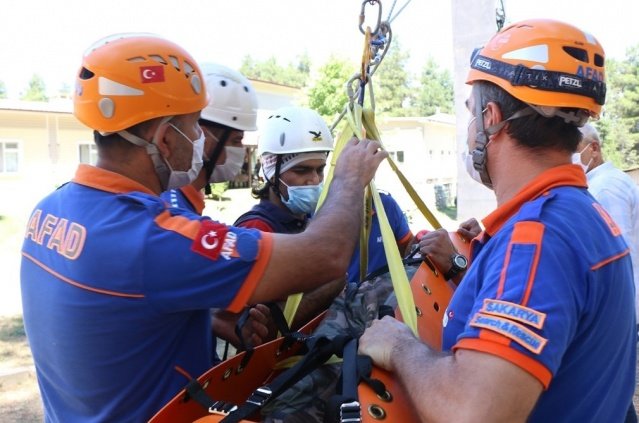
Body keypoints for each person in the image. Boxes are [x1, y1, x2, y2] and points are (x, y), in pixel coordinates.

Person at [20, 33, 386, 422]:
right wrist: (348, 178)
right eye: (195, 126)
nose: (199, 139)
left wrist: (206, 315)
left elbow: (115, 317)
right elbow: (326, 256)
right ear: (164, 138)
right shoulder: (155, 239)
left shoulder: (49, 210)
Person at [359, 19, 636, 422]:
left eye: (472, 113)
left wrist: (401, 347)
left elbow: (474, 412)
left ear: (491, 118)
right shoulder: (580, 214)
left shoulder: (537, 239)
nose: (471, 128)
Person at [235, 106, 345, 330]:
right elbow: (259, 328)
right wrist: (331, 285)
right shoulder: (255, 229)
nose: (314, 180)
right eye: (302, 170)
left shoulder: (310, 220)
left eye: (320, 170)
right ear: (271, 172)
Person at [161, 62, 258, 214]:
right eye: (236, 140)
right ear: (204, 139)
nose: (243, 153)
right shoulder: (175, 212)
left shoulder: (180, 201)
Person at [574, 123, 639, 325]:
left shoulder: (605, 189)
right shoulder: (605, 182)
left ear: (594, 148)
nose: (568, 158)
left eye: (573, 149)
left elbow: (619, 255)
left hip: (625, 311)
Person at [346, 191, 413, 283]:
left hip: (388, 288)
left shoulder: (386, 205)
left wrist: (419, 241)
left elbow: (407, 248)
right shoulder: (332, 213)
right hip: (350, 290)